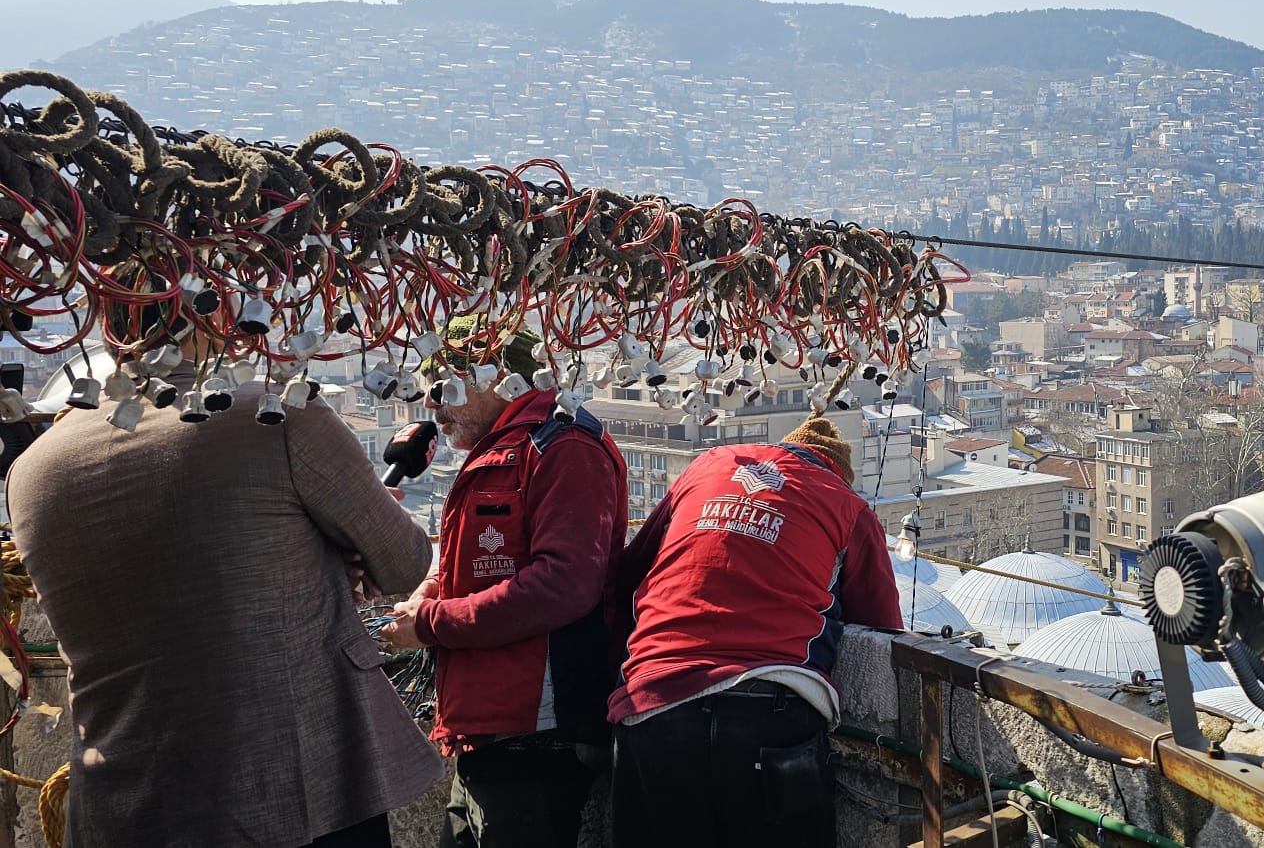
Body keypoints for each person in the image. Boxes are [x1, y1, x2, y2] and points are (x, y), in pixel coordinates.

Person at [6, 305, 443, 848]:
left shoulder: (33, 469)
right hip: (290, 789)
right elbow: (404, 562)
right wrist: (333, 551)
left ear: (107, 324)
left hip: (122, 801)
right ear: (218, 319)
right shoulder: (276, 416)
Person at [377, 317, 626, 848]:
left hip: (537, 735)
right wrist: (431, 589)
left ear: (498, 378)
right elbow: (485, 557)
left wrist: (431, 623)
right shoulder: (505, 448)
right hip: (484, 733)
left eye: (446, 386)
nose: (433, 404)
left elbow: (564, 583)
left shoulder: (564, 446)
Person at [609, 416, 903, 848]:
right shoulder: (847, 507)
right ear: (837, 472)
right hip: (774, 708)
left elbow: (626, 574)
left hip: (654, 702)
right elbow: (883, 627)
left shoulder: (710, 465)